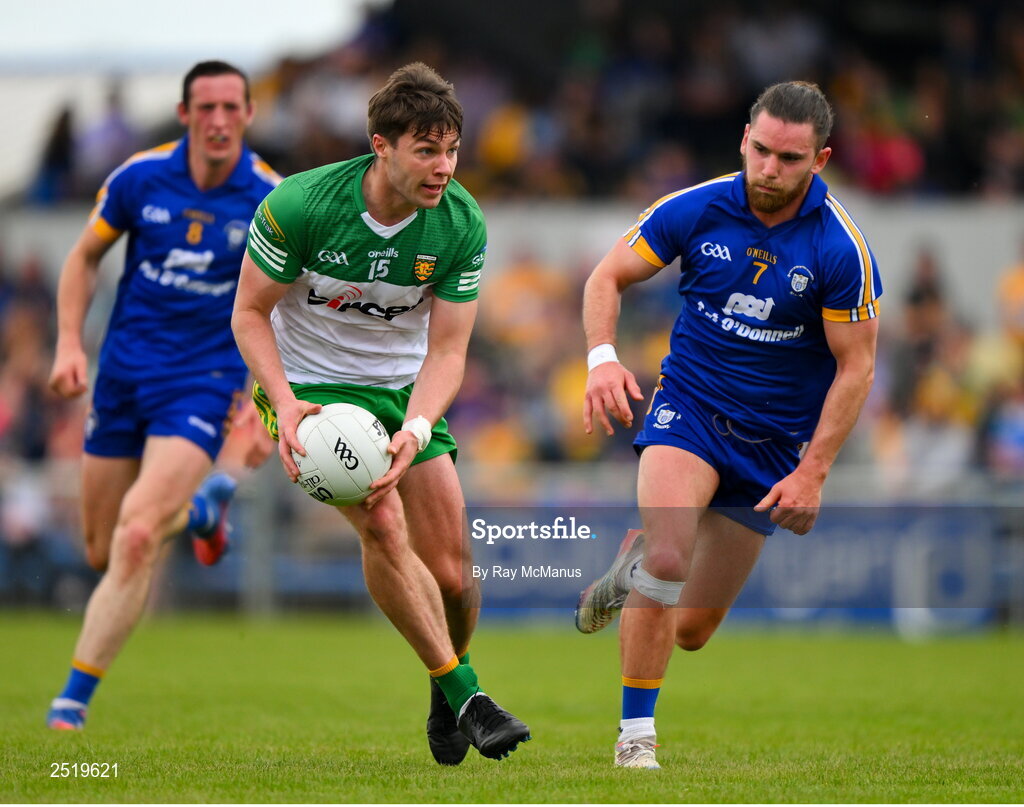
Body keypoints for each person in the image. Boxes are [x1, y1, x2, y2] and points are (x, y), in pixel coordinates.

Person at [576, 81, 881, 770]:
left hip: (772, 446)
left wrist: (812, 472)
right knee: (670, 560)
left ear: (821, 159)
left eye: (790, 159)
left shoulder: (841, 249)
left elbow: (855, 369)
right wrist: (601, 358)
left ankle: (631, 563)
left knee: (692, 629)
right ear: (745, 138)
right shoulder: (696, 206)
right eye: (762, 151)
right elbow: (605, 277)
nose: (770, 169)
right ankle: (635, 743)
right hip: (690, 407)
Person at [232, 62, 530, 763]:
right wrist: (284, 406)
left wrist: (418, 428)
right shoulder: (302, 205)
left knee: (454, 576)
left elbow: (450, 351)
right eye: (427, 150)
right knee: (384, 522)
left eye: (452, 149)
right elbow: (247, 314)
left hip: (403, 393)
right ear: (381, 145)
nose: (444, 167)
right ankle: (470, 694)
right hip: (311, 390)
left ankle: (443, 680)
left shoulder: (461, 222)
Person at [45, 61, 279, 730]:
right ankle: (203, 516)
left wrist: (270, 403)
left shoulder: (270, 198)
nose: (219, 120)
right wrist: (67, 343)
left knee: (139, 532)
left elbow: (290, 309)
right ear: (184, 114)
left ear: (249, 115)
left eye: (232, 107)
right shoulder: (138, 177)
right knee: (101, 548)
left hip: (201, 384)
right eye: (205, 107)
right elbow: (82, 257)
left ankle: (71, 703)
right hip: (121, 378)